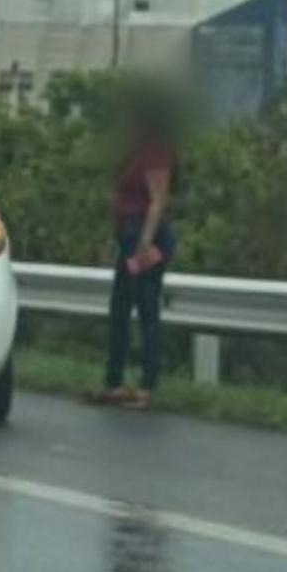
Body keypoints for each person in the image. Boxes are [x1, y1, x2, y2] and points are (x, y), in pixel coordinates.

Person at [99, 101, 179, 411]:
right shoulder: (136, 152)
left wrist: (144, 242)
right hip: (129, 235)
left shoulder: (156, 152)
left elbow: (158, 200)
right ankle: (114, 381)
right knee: (120, 308)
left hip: (146, 237)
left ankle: (147, 385)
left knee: (146, 309)